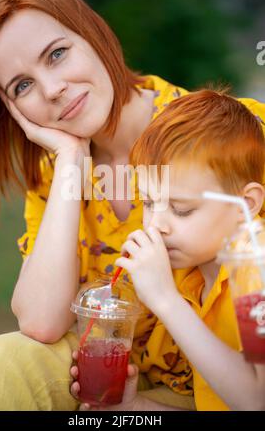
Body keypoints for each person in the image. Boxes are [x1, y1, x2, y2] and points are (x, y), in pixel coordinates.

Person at [0, 0, 264, 410]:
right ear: (11, 109)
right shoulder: (54, 177)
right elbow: (41, 322)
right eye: (22, 86)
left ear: (94, 35)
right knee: (4, 362)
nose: (52, 89)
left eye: (57, 54)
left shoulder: (230, 135)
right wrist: (70, 158)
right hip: (119, 381)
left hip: (228, 382)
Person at [71, 89, 265, 411]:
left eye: (181, 209)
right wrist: (133, 406)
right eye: (148, 202)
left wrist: (166, 301)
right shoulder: (194, 276)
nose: (157, 225)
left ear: (245, 205)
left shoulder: (255, 269)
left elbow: (256, 401)